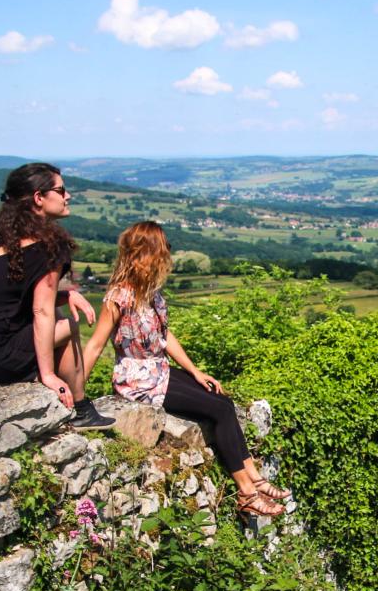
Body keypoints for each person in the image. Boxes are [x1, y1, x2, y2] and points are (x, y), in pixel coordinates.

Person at [83, 221, 290, 518]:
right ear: (146, 253)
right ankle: (247, 493)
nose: (167, 255)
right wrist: (77, 397)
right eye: (162, 249)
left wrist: (194, 371)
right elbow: (95, 345)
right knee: (218, 410)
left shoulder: (151, 295)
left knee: (222, 400)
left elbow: (164, 337)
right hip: (138, 380)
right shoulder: (120, 297)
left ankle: (254, 477)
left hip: (159, 370)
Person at [0, 162, 114, 430]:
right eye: (61, 190)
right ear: (39, 198)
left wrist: (65, 296)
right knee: (66, 325)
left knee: (57, 309)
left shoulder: (4, 238)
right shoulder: (49, 246)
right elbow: (41, 311)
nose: (68, 196)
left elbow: (15, 294)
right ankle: (81, 408)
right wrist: (49, 374)